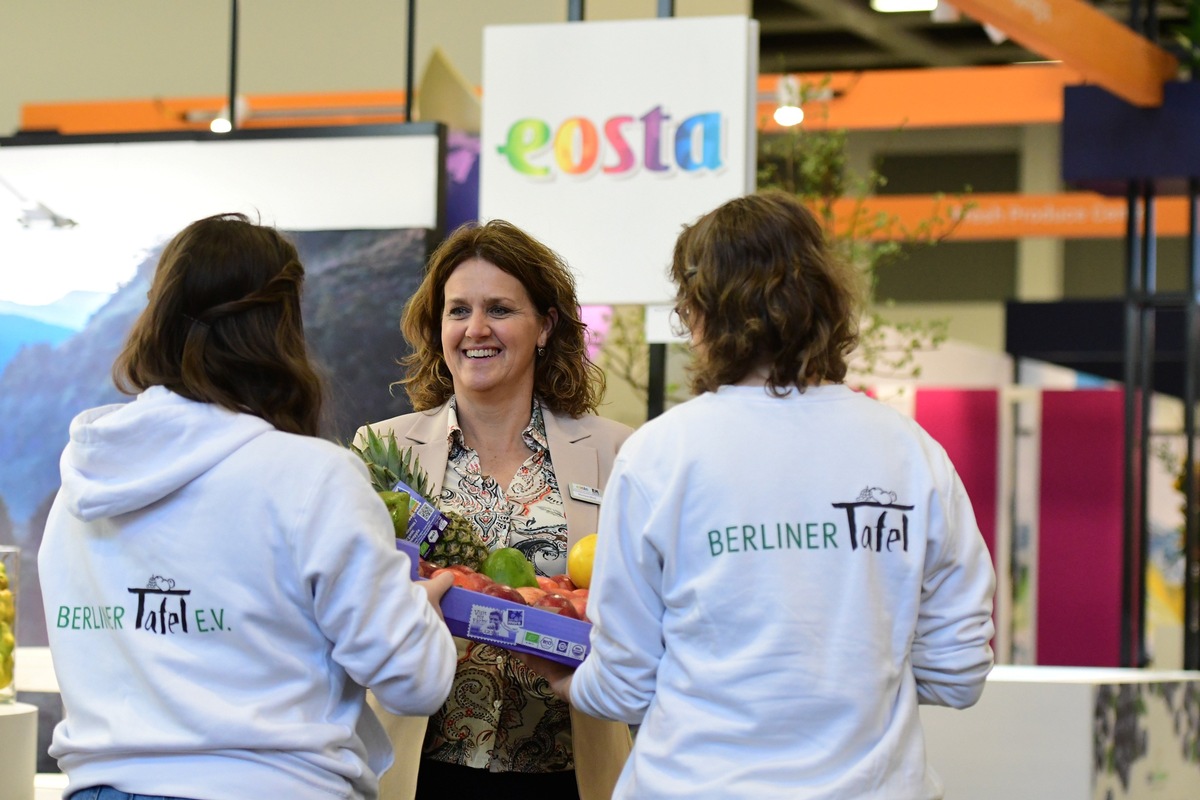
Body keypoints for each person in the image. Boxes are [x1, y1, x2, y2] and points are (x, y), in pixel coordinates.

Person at [524, 191, 997, 798]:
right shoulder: (912, 455)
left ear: (699, 311)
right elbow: (959, 674)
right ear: (827, 298)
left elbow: (625, 685)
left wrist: (569, 683)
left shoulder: (661, 456)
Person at [38, 213, 458, 800]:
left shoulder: (79, 486)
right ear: (280, 326)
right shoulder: (314, 478)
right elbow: (415, 682)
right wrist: (420, 609)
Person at [357, 219, 633, 800]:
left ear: (545, 326)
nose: (475, 329)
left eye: (500, 309)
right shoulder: (379, 451)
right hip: (418, 767)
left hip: (571, 770)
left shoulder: (617, 452)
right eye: (458, 311)